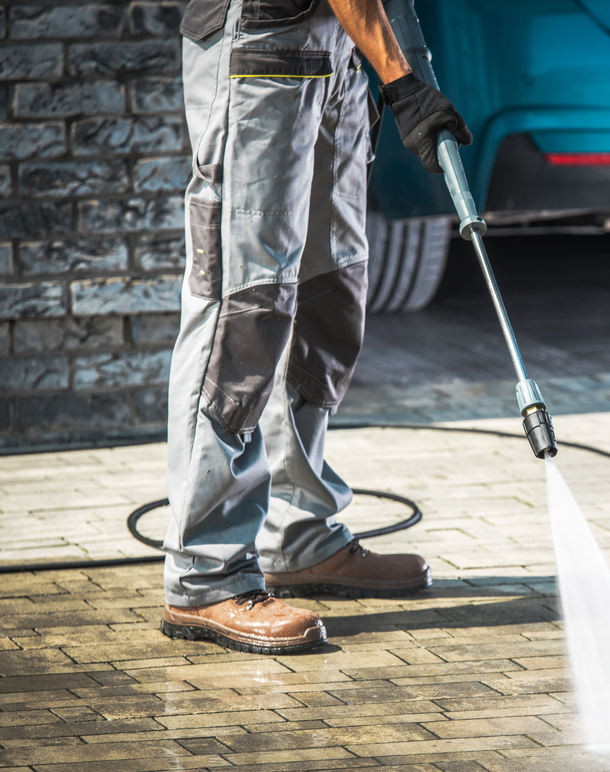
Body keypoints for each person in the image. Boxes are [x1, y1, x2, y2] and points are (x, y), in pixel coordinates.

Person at [160, 0, 472, 654]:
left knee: (329, 295)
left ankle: (299, 533)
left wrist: (400, 65)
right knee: (244, 306)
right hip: (259, 48)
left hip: (336, 56)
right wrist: (401, 77)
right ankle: (206, 572)